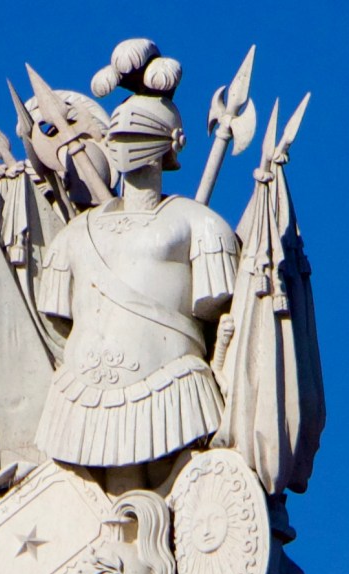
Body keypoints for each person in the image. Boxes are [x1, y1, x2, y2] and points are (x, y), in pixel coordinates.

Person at [34, 90, 239, 470]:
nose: (127, 146)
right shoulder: (73, 235)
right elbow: (58, 319)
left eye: (138, 136)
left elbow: (214, 306)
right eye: (120, 137)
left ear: (170, 144)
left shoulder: (202, 224)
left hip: (173, 392)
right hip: (76, 401)